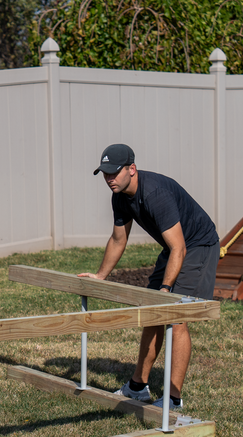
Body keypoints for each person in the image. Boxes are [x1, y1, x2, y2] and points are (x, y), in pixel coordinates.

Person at [78, 144, 219, 411]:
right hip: (176, 247)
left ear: (132, 169)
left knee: (176, 316)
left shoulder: (155, 194)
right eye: (105, 173)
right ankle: (138, 386)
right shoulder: (119, 196)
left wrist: (166, 289)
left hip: (198, 245)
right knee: (153, 311)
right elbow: (119, 239)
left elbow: (181, 247)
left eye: (114, 172)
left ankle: (173, 399)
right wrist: (100, 276)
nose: (109, 179)